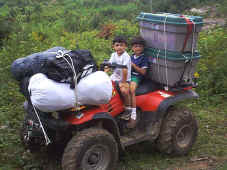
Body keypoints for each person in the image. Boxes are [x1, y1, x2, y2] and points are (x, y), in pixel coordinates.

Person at [105, 36, 132, 119]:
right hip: (114, 77)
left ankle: (128, 109)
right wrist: (104, 72)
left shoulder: (126, 56)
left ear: (125, 47)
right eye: (117, 45)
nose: (119, 47)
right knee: (105, 86)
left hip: (124, 78)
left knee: (124, 90)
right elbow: (108, 65)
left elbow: (125, 70)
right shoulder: (113, 55)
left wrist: (123, 83)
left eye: (121, 45)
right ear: (113, 47)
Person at [127, 36, 148, 128]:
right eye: (136, 46)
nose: (138, 48)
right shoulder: (130, 57)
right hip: (128, 76)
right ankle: (125, 108)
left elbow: (143, 72)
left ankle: (133, 114)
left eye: (140, 46)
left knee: (131, 90)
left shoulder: (144, 58)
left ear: (143, 48)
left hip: (137, 77)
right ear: (132, 48)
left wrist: (134, 66)